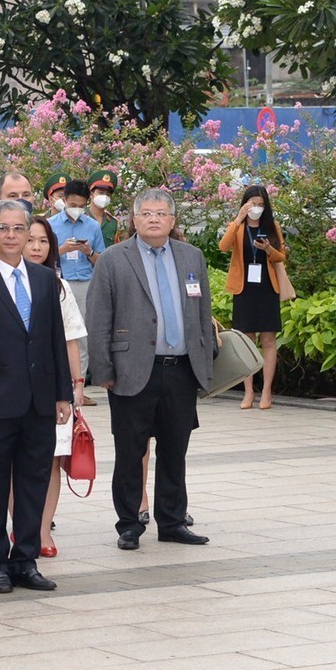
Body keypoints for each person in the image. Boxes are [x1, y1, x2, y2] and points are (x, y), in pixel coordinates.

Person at [84, 187, 218, 551]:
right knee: (130, 451)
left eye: (161, 213)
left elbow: (203, 315)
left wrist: (203, 365)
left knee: (175, 449)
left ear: (173, 220)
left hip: (180, 370)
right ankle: (129, 524)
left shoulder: (192, 257)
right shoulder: (113, 259)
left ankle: (173, 521)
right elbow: (98, 319)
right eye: (146, 213)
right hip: (131, 369)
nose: (154, 218)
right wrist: (102, 370)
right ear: (134, 219)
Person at [0, 198, 72, 594]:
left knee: (33, 482)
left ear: (28, 234)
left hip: (39, 402)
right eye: (2, 228)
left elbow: (55, 339)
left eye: (18, 228)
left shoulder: (43, 279)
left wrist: (63, 395)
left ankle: (25, 559)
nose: (11, 235)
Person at [26, 216, 90, 557]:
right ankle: (20, 526)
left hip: (54, 388)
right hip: (17, 387)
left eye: (43, 241)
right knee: (15, 462)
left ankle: (42, 530)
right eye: (31, 240)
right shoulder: (4, 283)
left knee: (51, 460)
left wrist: (76, 384)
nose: (36, 247)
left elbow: (70, 341)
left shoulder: (59, 287)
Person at [221, 184, 288, 411]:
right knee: (247, 340)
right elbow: (223, 246)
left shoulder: (272, 226)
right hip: (245, 288)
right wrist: (238, 219)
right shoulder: (238, 227)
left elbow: (281, 257)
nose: (256, 209)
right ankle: (248, 390)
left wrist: (268, 248)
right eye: (252, 204)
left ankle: (266, 390)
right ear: (245, 204)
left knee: (268, 340)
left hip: (267, 288)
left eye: (260, 205)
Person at [47, 176, 106, 399]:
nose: (77, 210)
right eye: (72, 205)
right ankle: (54, 386)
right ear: (64, 201)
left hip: (84, 284)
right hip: (58, 282)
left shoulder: (93, 226)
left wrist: (89, 252)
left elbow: (102, 261)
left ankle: (77, 388)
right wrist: (61, 249)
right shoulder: (50, 225)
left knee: (81, 337)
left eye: (81, 206)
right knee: (55, 335)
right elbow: (41, 256)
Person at [86, 169, 122, 249]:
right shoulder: (81, 217)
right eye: (101, 193)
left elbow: (116, 250)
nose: (104, 197)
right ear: (91, 194)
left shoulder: (113, 223)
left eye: (108, 194)